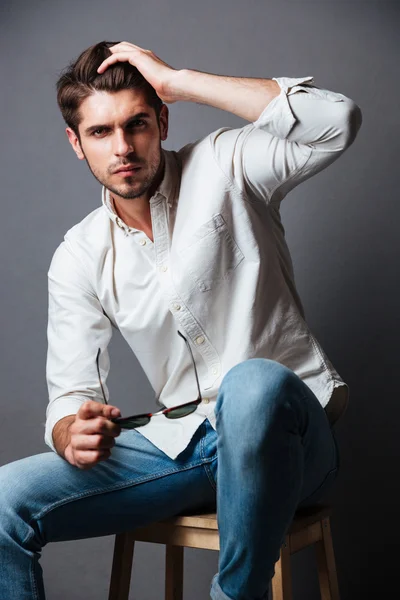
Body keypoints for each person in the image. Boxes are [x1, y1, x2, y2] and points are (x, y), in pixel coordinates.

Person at [0, 40, 362, 600]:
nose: (123, 148)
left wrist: (181, 79)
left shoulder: (226, 164)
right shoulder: (79, 254)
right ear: (76, 143)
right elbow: (69, 396)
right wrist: (73, 431)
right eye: (100, 133)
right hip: (188, 449)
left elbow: (335, 120)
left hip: (290, 442)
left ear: (163, 119)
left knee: (252, 382)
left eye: (137, 124)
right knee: (5, 500)